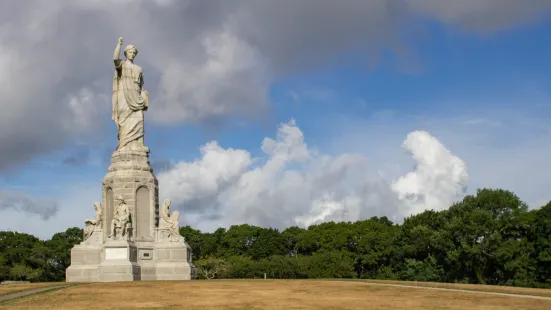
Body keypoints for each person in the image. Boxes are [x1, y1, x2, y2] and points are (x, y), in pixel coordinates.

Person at [112, 36, 149, 152]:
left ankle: (139, 144)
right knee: (125, 120)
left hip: (137, 98)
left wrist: (144, 97)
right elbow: (115, 59)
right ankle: (124, 145)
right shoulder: (122, 65)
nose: (132, 54)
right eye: (130, 52)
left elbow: (142, 86)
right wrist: (119, 44)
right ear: (126, 53)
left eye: (134, 52)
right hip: (124, 97)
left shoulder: (139, 69)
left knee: (139, 118)